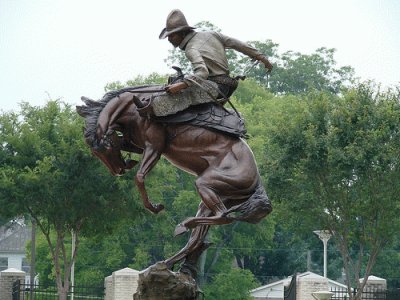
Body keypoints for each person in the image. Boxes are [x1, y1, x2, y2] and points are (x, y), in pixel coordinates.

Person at [135, 9, 273, 117]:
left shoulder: (191, 49)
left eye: (172, 35)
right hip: (228, 85)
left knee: (162, 103)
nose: (169, 39)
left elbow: (202, 72)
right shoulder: (212, 34)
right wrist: (261, 56)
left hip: (215, 87)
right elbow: (237, 44)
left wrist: (180, 86)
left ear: (183, 33)